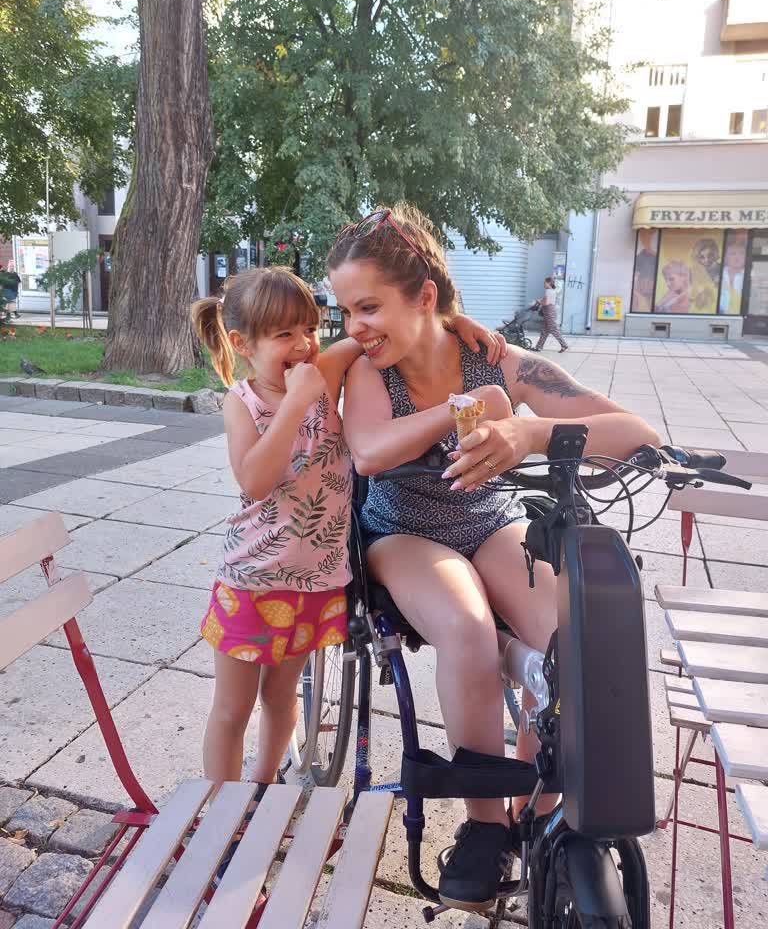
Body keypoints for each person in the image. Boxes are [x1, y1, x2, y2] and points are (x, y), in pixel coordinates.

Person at [327, 204, 659, 912]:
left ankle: (542, 802)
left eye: (368, 306)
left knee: (569, 635)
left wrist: (530, 432)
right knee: (467, 629)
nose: (354, 325)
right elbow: (370, 451)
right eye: (345, 310)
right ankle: (485, 825)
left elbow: (635, 433)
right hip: (404, 531)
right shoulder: (368, 370)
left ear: (424, 296)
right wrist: (468, 406)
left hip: (489, 521)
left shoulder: (497, 357)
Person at [191, 266, 507, 798]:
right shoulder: (244, 402)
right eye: (284, 334)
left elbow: (382, 333)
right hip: (253, 582)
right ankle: (222, 809)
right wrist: (297, 402)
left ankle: (264, 790)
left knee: (282, 700)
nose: (303, 345)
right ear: (243, 344)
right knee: (233, 708)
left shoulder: (324, 368)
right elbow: (255, 480)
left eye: (310, 329)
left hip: (315, 583)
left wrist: (456, 322)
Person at [533, 276, 567, 352]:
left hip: (549, 313)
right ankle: (538, 347)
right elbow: (546, 300)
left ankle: (564, 345)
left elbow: (546, 302)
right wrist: (540, 300)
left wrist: (539, 302)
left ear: (548, 283)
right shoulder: (552, 290)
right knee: (544, 331)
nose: (543, 284)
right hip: (549, 313)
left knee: (554, 330)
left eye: (544, 283)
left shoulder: (548, 291)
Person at [720, 232, 747, 314]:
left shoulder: (748, 276)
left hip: (740, 314)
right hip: (720, 314)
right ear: (726, 257)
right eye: (733, 253)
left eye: (741, 253)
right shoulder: (719, 273)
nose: (737, 257)